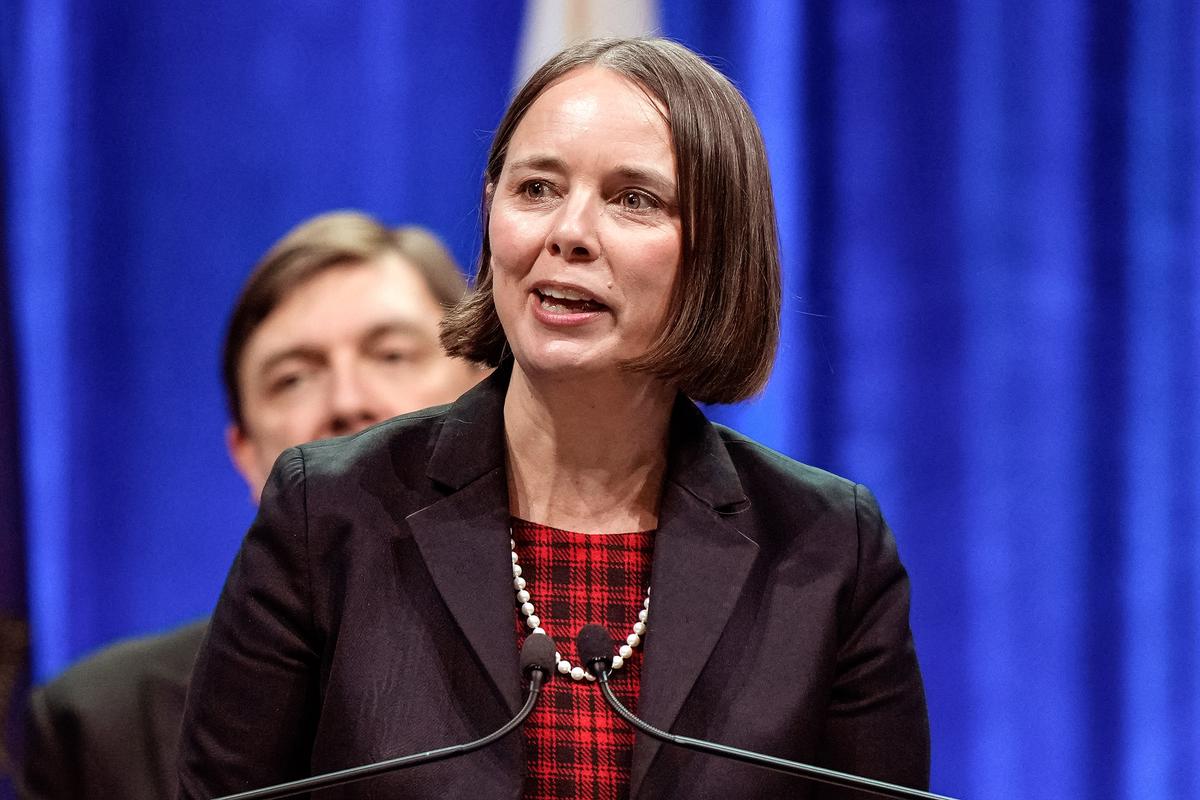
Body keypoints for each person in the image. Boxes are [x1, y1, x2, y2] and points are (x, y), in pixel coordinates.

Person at [177, 38, 930, 800]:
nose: (567, 233)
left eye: (634, 199)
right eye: (536, 188)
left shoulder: (828, 550)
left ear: (717, 253)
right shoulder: (328, 515)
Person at [20, 211, 484, 800]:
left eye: (391, 354)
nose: (347, 401)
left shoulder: (570, 672)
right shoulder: (101, 723)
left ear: (484, 395)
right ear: (245, 454)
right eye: (292, 378)